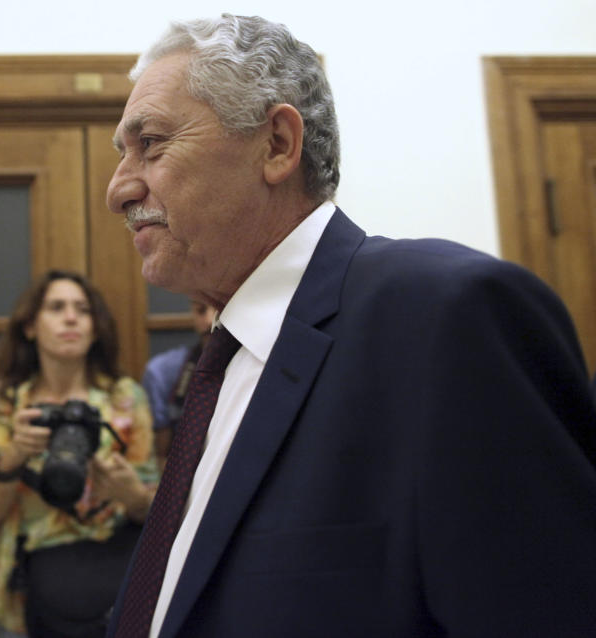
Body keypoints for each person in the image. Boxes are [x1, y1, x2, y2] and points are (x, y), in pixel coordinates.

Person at [104, 15, 596, 638]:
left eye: (151, 143)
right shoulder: (221, 364)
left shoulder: (447, 317)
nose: (119, 189)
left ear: (278, 144)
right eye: (123, 153)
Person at [0, 270, 158, 638]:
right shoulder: (7, 402)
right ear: (30, 327)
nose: (71, 318)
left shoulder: (124, 399)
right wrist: (14, 454)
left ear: (95, 328)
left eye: (83, 310)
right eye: (56, 307)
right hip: (28, 579)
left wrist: (133, 496)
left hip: (109, 573)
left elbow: (156, 512)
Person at [141, 300, 213, 464]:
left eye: (219, 309)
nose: (209, 320)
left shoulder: (257, 367)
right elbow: (161, 458)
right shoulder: (162, 372)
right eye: (201, 310)